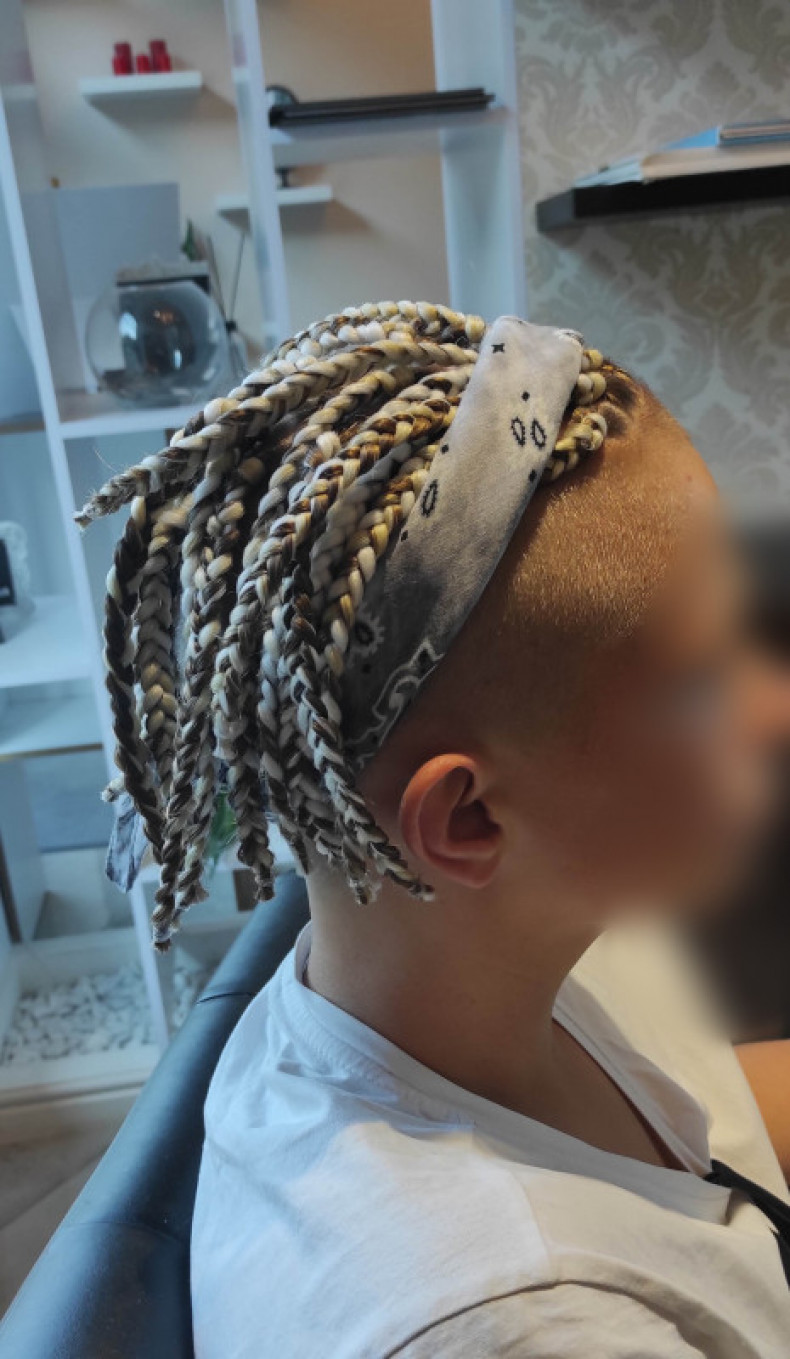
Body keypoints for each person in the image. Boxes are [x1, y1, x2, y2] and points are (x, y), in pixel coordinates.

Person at [78, 302, 790, 1356]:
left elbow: (708, 1122)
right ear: (465, 818)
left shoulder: (443, 970)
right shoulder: (522, 1323)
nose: (774, 707)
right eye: (701, 683)